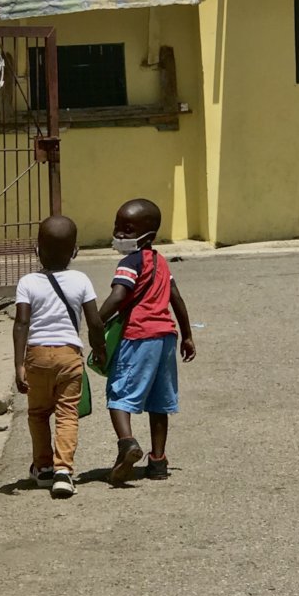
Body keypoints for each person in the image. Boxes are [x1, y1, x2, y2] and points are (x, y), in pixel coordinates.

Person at [98, 198, 196, 484]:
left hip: (138, 337)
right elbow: (175, 298)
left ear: (148, 236)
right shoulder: (161, 262)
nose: (119, 235)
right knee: (159, 402)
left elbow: (118, 296)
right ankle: (158, 461)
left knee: (119, 396)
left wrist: (95, 320)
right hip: (165, 338)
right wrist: (187, 335)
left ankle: (127, 443)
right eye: (117, 227)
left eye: (127, 230)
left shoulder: (129, 262)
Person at [14, 215, 106, 498]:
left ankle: (42, 468)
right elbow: (94, 322)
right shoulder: (81, 280)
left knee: (39, 413)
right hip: (69, 356)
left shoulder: (27, 282)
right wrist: (99, 350)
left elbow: (21, 323)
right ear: (75, 251)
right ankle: (63, 471)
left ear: (36, 249)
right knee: (67, 414)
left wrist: (19, 364)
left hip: (37, 357)